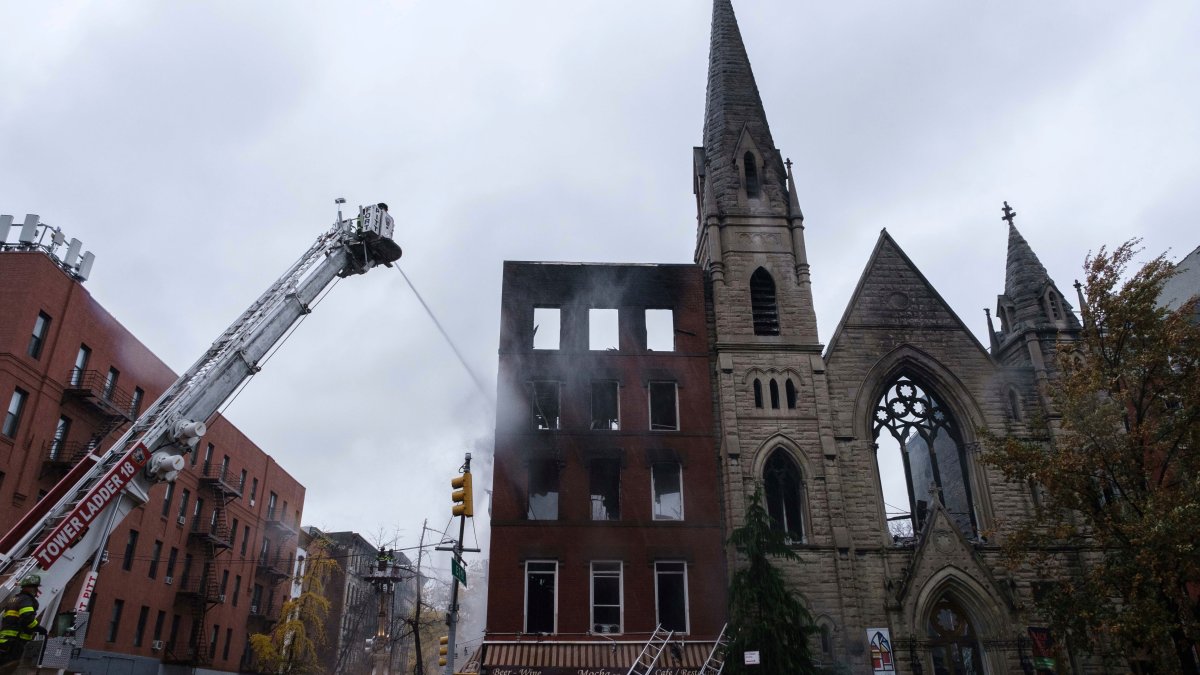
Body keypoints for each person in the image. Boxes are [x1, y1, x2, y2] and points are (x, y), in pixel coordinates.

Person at [0, 575, 47, 673]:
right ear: (31, 587)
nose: (36, 590)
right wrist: (38, 628)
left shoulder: (14, 599)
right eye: (35, 587)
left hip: (4, 640)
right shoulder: (26, 600)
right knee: (7, 670)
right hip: (15, 642)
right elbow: (27, 618)